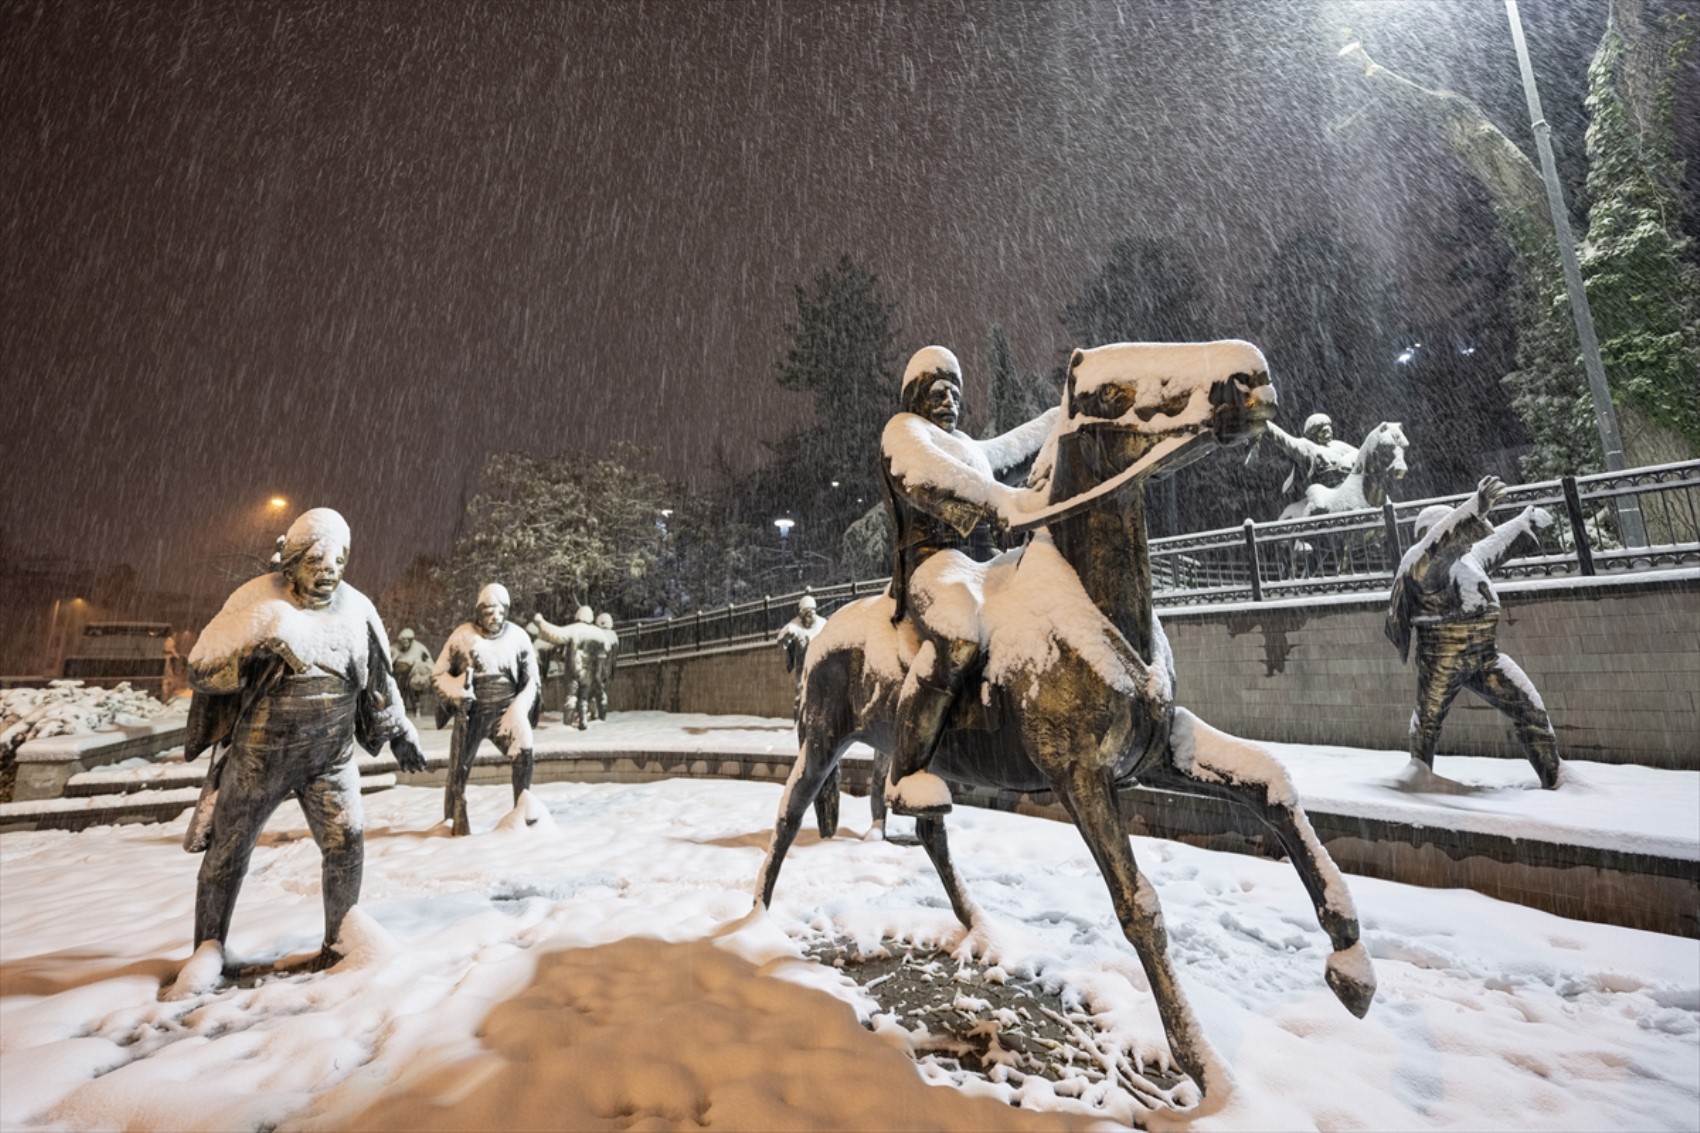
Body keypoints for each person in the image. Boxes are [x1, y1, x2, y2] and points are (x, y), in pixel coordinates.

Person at [180, 508, 423, 976]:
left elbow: (379, 680)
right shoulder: (254, 599)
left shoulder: (357, 609)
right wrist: (256, 639)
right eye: (316, 560)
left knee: (346, 842)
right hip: (258, 759)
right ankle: (208, 949)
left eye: (337, 561)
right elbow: (201, 666)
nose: (328, 570)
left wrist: (398, 731)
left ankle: (340, 939)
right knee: (227, 854)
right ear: (290, 563)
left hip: (330, 759)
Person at [881, 344, 1058, 815]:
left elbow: (1014, 448)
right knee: (957, 638)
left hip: (985, 567)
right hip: (934, 564)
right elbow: (926, 478)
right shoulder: (904, 432)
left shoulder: (970, 450)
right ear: (915, 395)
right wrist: (999, 501)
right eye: (937, 390)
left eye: (955, 391)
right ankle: (906, 772)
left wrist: (1062, 415)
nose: (948, 400)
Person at [1386, 475, 1562, 789]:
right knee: (1428, 722)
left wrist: (1526, 522)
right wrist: (1475, 507)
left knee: (1530, 709)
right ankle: (1418, 778)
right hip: (1442, 656)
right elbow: (1439, 543)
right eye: (1453, 530)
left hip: (1484, 654)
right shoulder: (1420, 563)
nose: (1465, 541)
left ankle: (1555, 779)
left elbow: (1495, 545)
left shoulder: (1468, 559)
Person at [433, 584, 540, 835]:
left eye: (500, 611)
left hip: (506, 714)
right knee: (458, 768)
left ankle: (522, 813)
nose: (495, 617)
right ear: (479, 612)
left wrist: (519, 709)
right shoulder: (462, 636)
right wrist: (457, 690)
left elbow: (532, 682)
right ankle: (452, 818)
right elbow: (438, 674)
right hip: (471, 714)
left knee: (524, 751)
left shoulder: (518, 637)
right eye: (489, 612)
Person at [1247, 412, 1359, 505]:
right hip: (1320, 496)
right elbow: (1285, 441)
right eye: (1323, 431)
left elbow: (1361, 454)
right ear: (1314, 434)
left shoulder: (1339, 446)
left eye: (1329, 430)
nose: (1327, 434)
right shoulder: (1308, 447)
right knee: (1317, 497)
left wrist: (1347, 460)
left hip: (1345, 492)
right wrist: (1266, 426)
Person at [535, 606, 602, 730]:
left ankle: (568, 723)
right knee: (583, 697)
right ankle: (583, 720)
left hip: (573, 669)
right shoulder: (599, 634)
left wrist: (540, 622)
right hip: (588, 671)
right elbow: (607, 649)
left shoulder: (574, 630)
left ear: (578, 616)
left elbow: (555, 634)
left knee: (571, 697)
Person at [775, 594, 824, 721]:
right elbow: (781, 644)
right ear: (801, 613)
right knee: (801, 696)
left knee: (820, 696)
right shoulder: (794, 627)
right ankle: (799, 723)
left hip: (820, 667)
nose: (809, 616)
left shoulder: (823, 626)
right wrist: (786, 638)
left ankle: (818, 721)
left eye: (810, 612)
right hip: (802, 668)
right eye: (806, 613)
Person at [389, 628, 433, 717]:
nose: (404, 644)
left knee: (414, 690)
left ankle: (417, 709)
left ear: (411, 640)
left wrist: (420, 668)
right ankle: (399, 710)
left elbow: (430, 663)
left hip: (414, 675)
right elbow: (388, 663)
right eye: (402, 641)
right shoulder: (394, 649)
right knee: (399, 691)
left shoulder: (420, 649)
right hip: (399, 676)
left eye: (407, 641)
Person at [592, 612, 619, 721]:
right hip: (607, 670)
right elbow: (615, 655)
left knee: (595, 692)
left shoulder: (596, 635)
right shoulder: (614, 637)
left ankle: (596, 714)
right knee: (602, 691)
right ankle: (602, 713)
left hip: (596, 670)